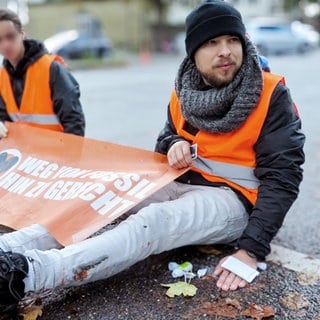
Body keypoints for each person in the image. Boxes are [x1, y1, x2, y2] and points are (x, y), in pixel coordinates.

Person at [0, 1, 305, 316]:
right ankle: (10, 248)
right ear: (193, 53)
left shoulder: (271, 94)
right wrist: (173, 143)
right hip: (181, 179)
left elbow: (283, 175)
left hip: (234, 198)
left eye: (232, 40)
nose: (224, 50)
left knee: (153, 222)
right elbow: (166, 139)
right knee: (106, 193)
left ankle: (26, 275)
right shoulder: (185, 90)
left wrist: (251, 250)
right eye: (212, 42)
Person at [0, 9, 85, 137]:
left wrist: (69, 156)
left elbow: (73, 123)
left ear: (22, 34)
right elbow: (4, 119)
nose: (5, 45)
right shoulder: (2, 77)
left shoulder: (52, 69)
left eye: (10, 36)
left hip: (57, 153)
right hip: (25, 155)